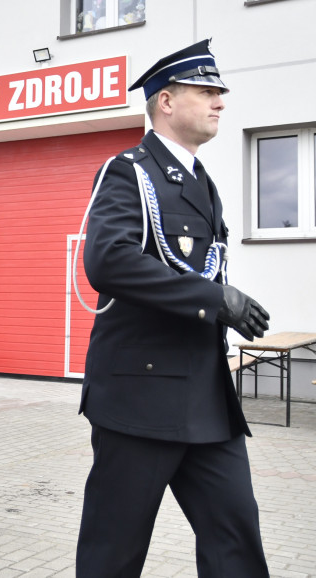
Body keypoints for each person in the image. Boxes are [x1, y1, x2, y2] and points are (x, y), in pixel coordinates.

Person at [76, 40, 271, 577]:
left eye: (220, 93)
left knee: (236, 538)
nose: (220, 103)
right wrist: (215, 299)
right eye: (207, 91)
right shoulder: (128, 172)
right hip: (140, 397)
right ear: (165, 101)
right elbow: (108, 261)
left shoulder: (202, 183)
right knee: (113, 553)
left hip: (205, 399)